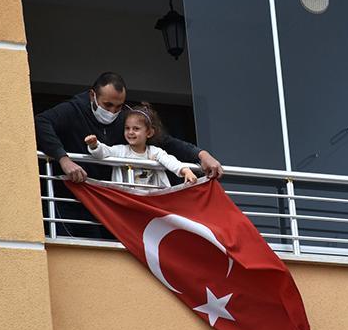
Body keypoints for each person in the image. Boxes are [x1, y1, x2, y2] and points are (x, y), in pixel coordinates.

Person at [35, 72, 221, 237]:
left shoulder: (125, 116)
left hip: (108, 205)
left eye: (118, 106)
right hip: (68, 199)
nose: (113, 112)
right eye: (107, 105)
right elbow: (41, 123)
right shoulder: (73, 110)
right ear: (92, 95)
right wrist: (63, 158)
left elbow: (165, 142)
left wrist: (201, 154)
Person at [85, 103, 198, 188]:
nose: (130, 132)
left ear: (149, 133)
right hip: (129, 199)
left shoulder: (154, 152)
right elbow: (104, 152)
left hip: (151, 199)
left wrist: (185, 170)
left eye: (136, 129)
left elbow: (169, 160)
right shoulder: (121, 150)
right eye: (127, 128)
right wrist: (95, 145)